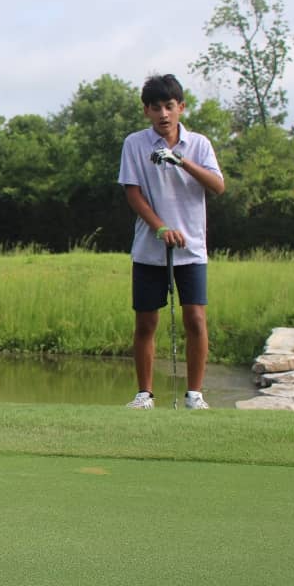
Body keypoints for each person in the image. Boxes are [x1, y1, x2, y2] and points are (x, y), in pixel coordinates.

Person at [118, 74, 224, 410]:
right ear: (146, 111)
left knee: (195, 318)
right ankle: (144, 394)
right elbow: (133, 194)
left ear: (181, 107)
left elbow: (217, 186)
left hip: (192, 248)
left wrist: (181, 160)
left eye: (169, 106)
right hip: (150, 248)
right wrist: (161, 228)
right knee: (147, 320)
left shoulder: (200, 144)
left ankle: (195, 394)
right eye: (156, 108)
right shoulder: (134, 144)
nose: (163, 114)